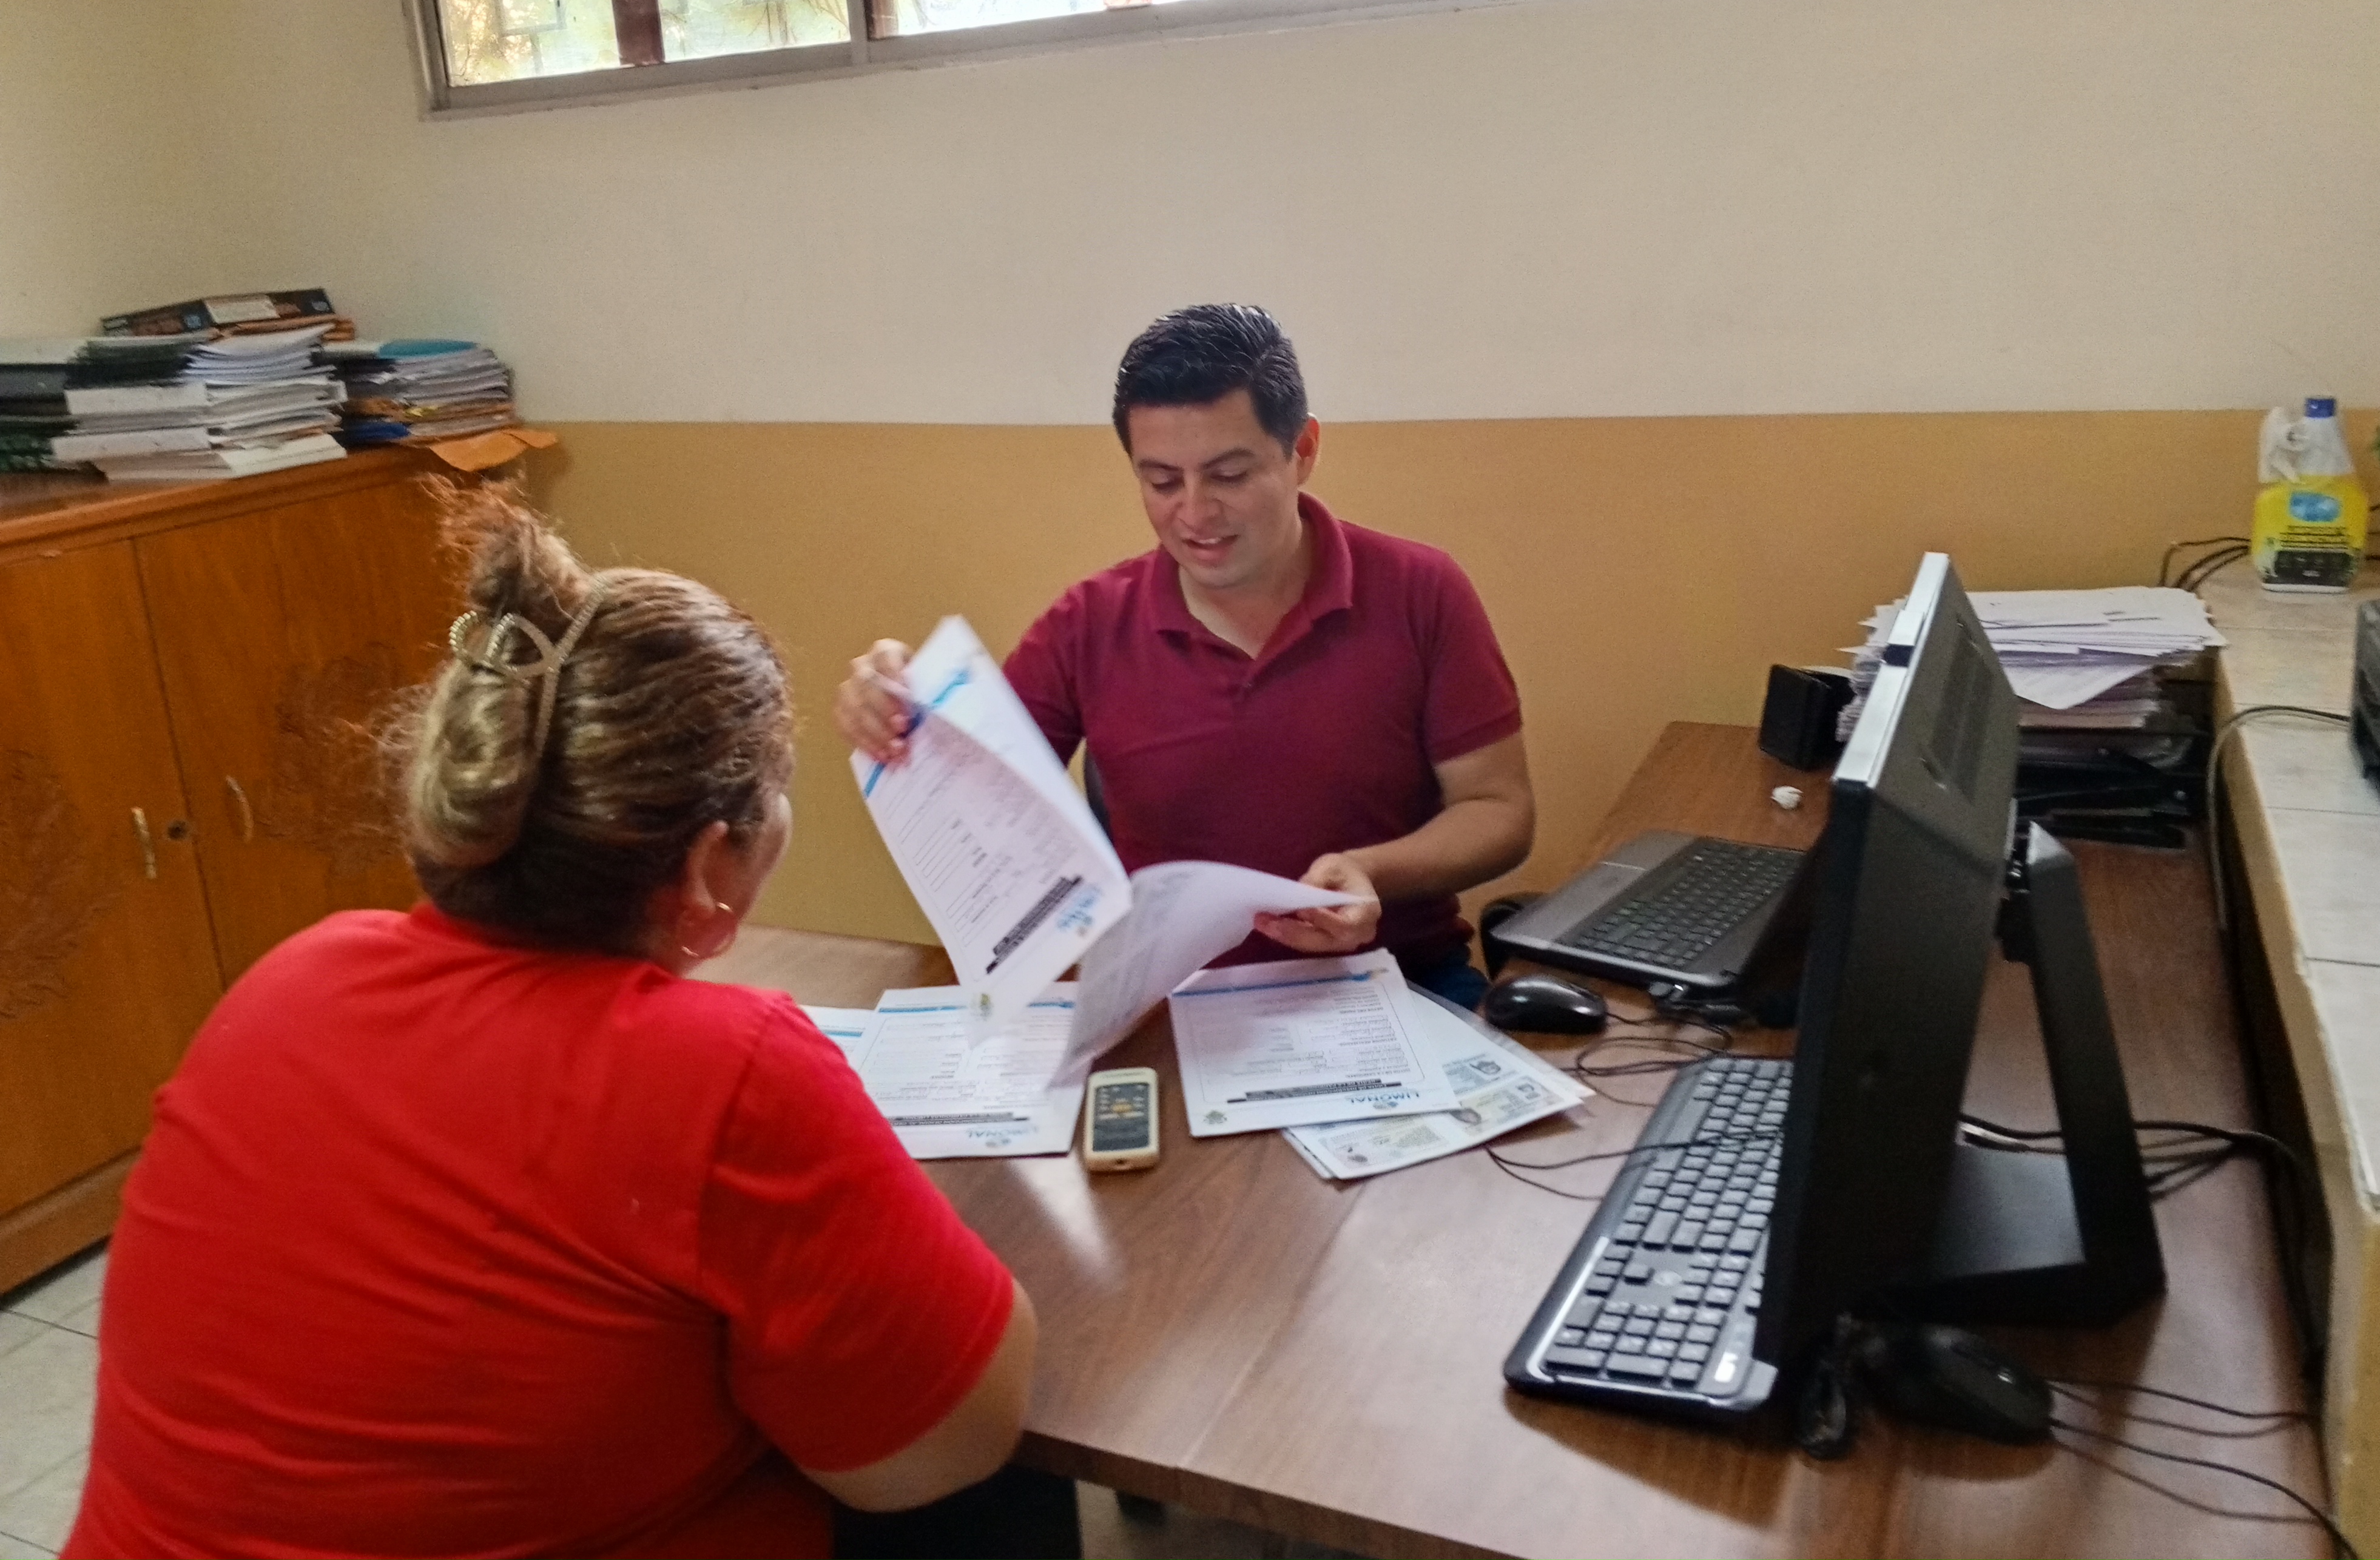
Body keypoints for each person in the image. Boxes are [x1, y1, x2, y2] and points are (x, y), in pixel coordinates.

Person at [67, 492, 1065, 1560]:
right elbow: (959, 1438)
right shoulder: (725, 1072)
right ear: (707, 868)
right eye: (777, 792)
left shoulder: (291, 976)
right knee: (996, 1498)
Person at [837, 303, 1534, 1009]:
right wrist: (896, 704)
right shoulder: (1087, 625)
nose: (1195, 514)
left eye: (1228, 475)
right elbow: (970, 798)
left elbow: (1497, 809)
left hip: (1397, 979)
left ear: (1302, 450)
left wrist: (1370, 871)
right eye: (1162, 482)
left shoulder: (1419, 590)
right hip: (1173, 1003)